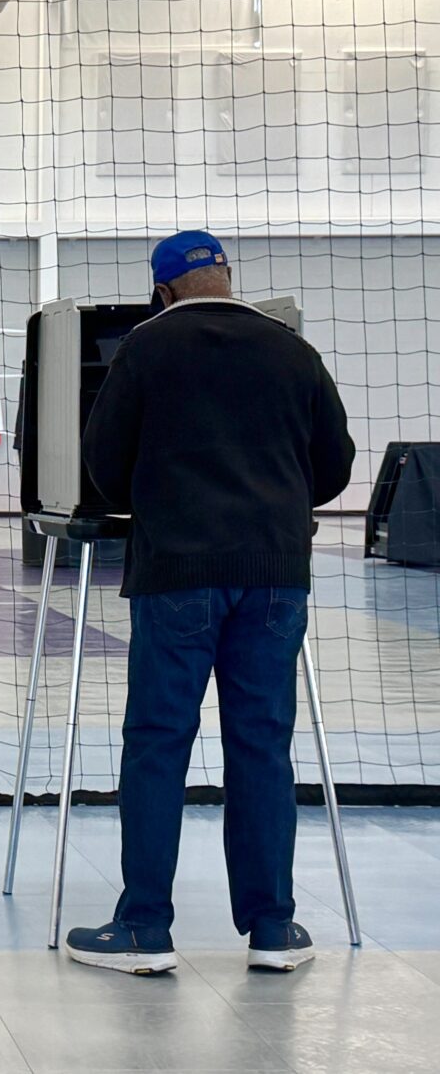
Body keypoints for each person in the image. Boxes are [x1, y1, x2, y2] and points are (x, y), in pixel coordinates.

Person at [64, 230, 356, 976]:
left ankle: (145, 930)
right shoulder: (292, 349)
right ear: (228, 276)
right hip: (275, 573)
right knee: (262, 744)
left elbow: (101, 464)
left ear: (160, 289)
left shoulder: (144, 348)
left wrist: (162, 500)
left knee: (159, 743)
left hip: (178, 570)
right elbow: (335, 466)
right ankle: (273, 929)